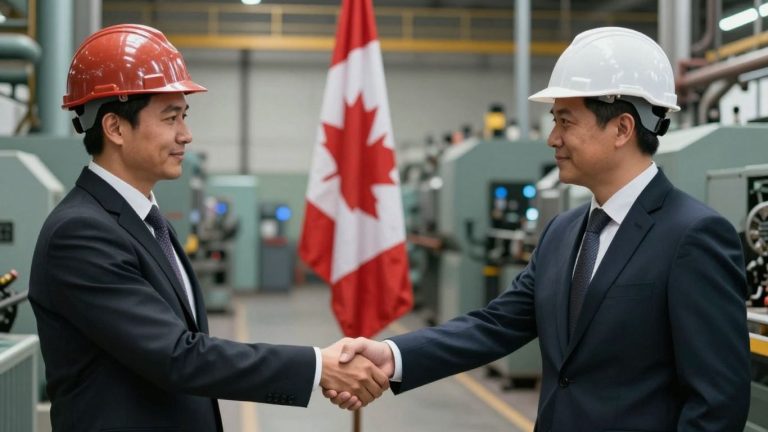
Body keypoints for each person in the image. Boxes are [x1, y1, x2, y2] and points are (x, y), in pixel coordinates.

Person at [326, 27, 752, 431]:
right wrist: (391, 356)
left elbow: (717, 401)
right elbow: (494, 326)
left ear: (622, 128)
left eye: (565, 121)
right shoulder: (563, 233)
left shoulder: (692, 236)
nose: (552, 138)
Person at [28, 24, 385, 432]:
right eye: (171, 117)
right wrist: (318, 367)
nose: (186, 135)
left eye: (184, 116)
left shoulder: (147, 223)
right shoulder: (80, 234)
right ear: (115, 128)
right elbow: (178, 357)